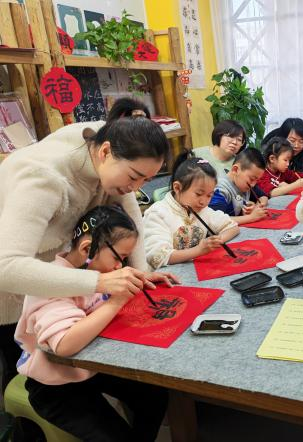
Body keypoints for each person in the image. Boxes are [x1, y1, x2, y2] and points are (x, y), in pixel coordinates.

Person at [0, 99, 177, 392]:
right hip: (11, 288)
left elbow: (133, 218)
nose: (135, 188)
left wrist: (139, 272)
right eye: (134, 177)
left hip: (57, 283)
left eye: (145, 180)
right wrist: (101, 280)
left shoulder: (107, 147)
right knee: (27, 368)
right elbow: (6, 266)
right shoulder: (42, 178)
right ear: (105, 151)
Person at [15, 205, 169, 441]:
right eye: (119, 258)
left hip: (93, 368)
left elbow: (99, 300)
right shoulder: (51, 281)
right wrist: (115, 302)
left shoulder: (95, 269)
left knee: (156, 396)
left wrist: (140, 278)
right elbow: (64, 345)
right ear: (87, 248)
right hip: (55, 386)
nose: (120, 267)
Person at [143, 152, 239, 269]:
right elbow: (157, 257)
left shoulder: (202, 210)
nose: (204, 202)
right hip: (164, 278)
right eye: (199, 194)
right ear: (177, 188)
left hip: (194, 271)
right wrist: (199, 250)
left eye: (209, 195)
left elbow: (232, 227)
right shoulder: (157, 213)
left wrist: (216, 242)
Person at [209, 148, 269, 225]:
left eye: (257, 180)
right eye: (252, 179)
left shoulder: (246, 182)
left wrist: (257, 207)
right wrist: (251, 217)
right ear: (235, 170)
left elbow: (263, 197)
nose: (253, 184)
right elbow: (215, 221)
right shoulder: (220, 190)